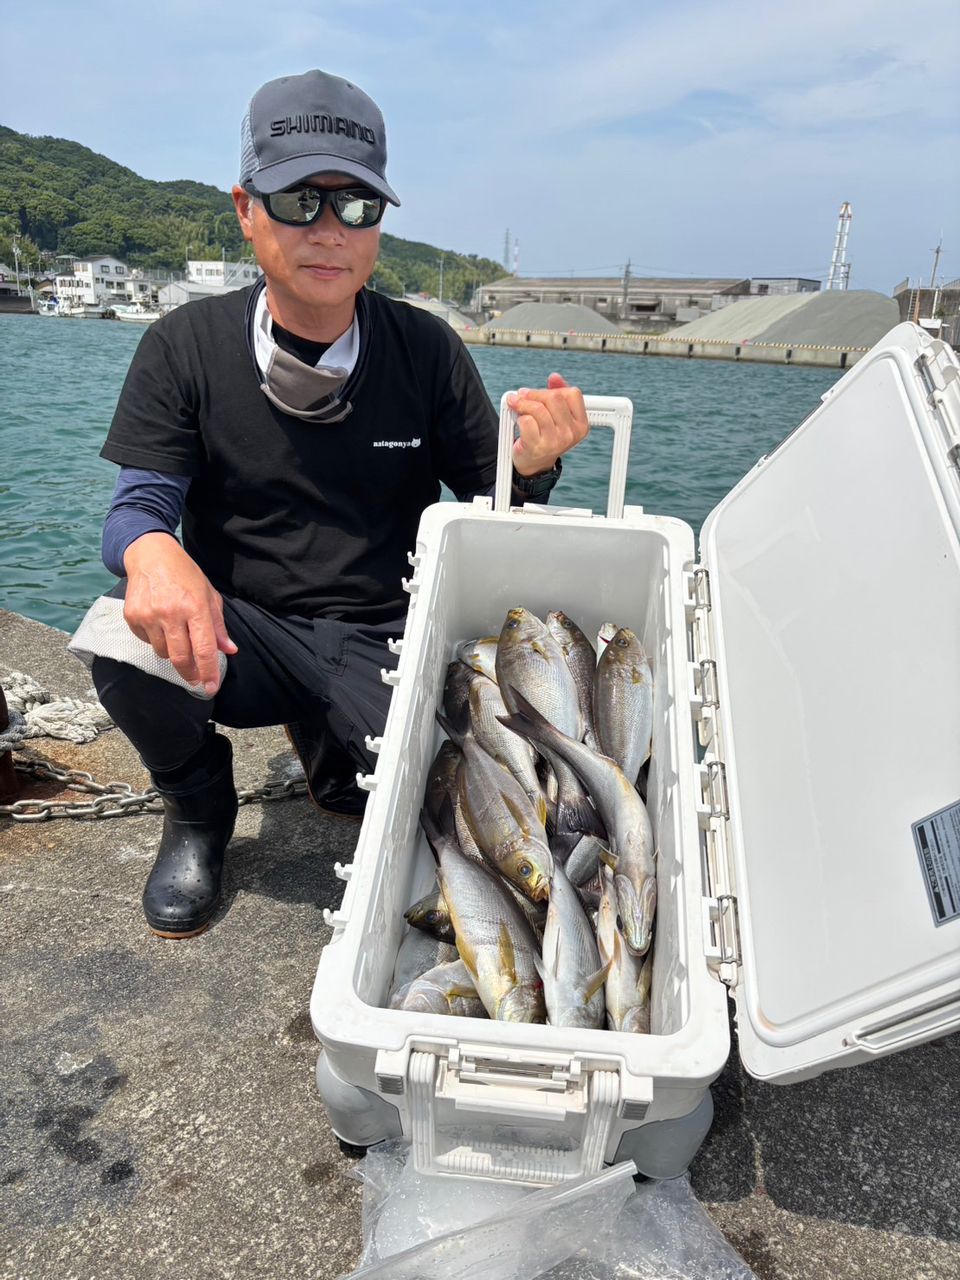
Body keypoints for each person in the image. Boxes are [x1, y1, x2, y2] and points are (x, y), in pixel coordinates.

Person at [72, 69, 589, 940]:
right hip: (246, 629)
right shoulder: (183, 345)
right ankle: (198, 808)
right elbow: (139, 506)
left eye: (356, 205)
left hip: (389, 634)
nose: (328, 230)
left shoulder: (425, 349)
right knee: (122, 637)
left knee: (463, 811)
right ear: (247, 210)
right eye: (298, 200)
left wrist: (532, 465)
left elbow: (489, 504)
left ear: (379, 221)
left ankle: (333, 739)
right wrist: (152, 552)